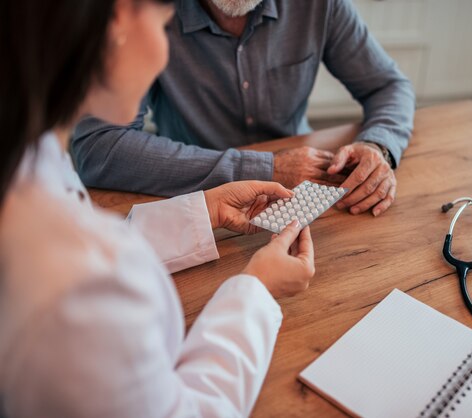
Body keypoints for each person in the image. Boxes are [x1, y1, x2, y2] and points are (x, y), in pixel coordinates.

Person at [0, 0, 315, 416]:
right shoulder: (83, 288)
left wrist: (203, 211)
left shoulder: (30, 153)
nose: (166, 50)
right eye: (165, 23)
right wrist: (256, 290)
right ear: (118, 19)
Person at [72, 0, 416, 217]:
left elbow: (388, 85)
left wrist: (379, 146)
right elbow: (97, 145)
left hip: (306, 190)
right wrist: (263, 168)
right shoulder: (143, 12)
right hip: (192, 199)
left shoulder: (320, 5)